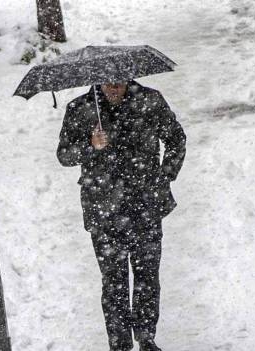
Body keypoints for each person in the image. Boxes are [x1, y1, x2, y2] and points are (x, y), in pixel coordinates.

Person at [57, 81, 186, 351]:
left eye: (119, 82)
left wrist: (164, 177)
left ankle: (146, 337)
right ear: (98, 81)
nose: (114, 88)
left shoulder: (150, 100)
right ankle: (119, 344)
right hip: (103, 209)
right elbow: (64, 154)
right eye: (108, 83)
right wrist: (90, 145)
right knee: (113, 281)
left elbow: (176, 138)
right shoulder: (81, 108)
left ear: (129, 78)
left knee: (147, 276)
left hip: (145, 205)